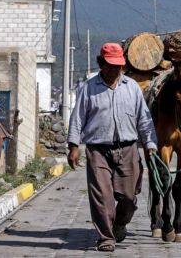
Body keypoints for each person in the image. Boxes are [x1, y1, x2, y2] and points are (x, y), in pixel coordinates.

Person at [67, 42, 158, 252]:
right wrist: (73, 146)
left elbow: (144, 120)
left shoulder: (132, 87)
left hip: (127, 148)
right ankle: (106, 237)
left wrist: (150, 145)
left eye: (118, 65)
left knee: (129, 197)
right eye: (110, 65)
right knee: (102, 197)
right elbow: (77, 119)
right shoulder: (88, 88)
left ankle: (119, 224)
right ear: (101, 64)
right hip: (98, 149)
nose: (114, 69)